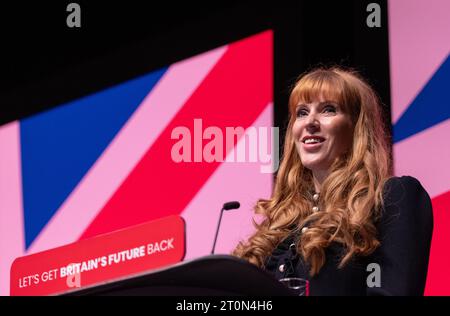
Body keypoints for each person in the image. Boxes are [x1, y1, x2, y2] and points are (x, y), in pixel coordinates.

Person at [232, 66, 433, 296]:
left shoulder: (393, 197)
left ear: (356, 126)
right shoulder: (281, 222)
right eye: (302, 112)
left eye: (328, 110)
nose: (310, 122)